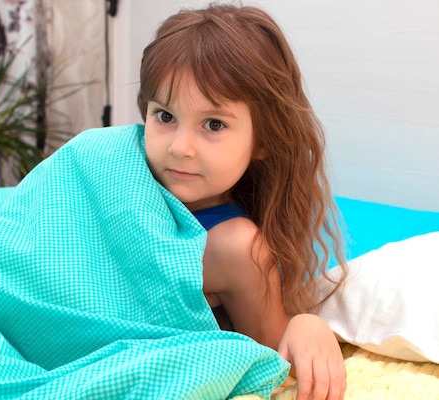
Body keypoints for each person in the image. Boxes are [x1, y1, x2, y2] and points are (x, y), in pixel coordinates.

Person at [138, 4, 349, 400]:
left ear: (265, 140)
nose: (180, 148)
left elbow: (272, 362)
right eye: (165, 116)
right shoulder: (123, 172)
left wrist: (307, 325)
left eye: (213, 124)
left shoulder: (235, 246)